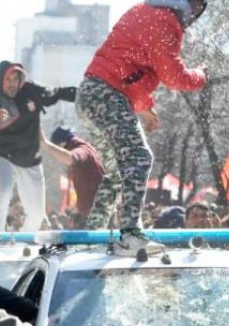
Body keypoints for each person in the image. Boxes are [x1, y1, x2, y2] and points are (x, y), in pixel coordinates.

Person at [77, 0, 208, 255]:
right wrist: (201, 75)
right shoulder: (166, 20)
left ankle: (93, 233)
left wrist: (145, 105)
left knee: (116, 172)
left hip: (91, 95)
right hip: (106, 94)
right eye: (196, 8)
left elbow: (130, 72)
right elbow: (173, 76)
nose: (194, 16)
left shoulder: (147, 11)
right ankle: (130, 235)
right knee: (139, 156)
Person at [0, 62, 77, 233]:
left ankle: (24, 239)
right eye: (8, 79)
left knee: (37, 213)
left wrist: (85, 94)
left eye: (16, 79)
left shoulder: (32, 91)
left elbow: (58, 93)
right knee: (4, 189)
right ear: (0, 80)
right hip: (4, 155)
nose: (12, 83)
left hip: (30, 159)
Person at [40, 128, 105, 227]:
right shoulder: (88, 149)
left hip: (94, 214)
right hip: (92, 211)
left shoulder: (83, 150)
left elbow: (70, 157)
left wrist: (46, 144)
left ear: (62, 145)